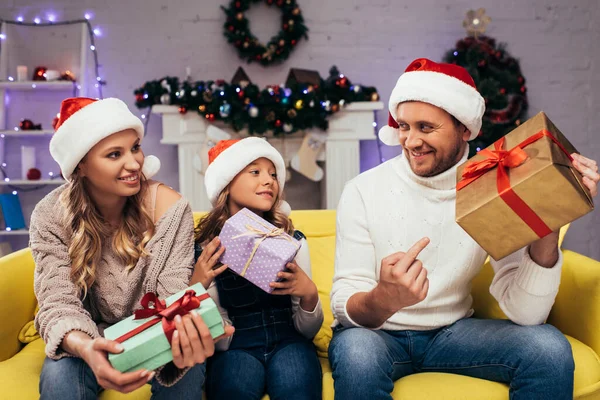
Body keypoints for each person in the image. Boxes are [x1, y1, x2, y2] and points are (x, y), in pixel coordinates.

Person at [328, 58, 599, 400]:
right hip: (376, 335)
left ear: (465, 129)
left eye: (426, 128)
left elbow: (528, 314)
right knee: (356, 354)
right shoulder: (362, 190)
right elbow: (344, 303)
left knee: (547, 348)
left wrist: (550, 217)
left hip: (453, 334)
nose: (411, 141)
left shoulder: (491, 189)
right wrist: (384, 299)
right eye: (404, 126)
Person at [31, 97, 233, 400]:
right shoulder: (50, 216)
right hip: (90, 333)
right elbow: (57, 302)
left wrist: (181, 333)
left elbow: (171, 297)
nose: (134, 163)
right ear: (81, 165)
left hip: (155, 331)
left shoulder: (170, 208)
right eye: (115, 154)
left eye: (135, 147)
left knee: (188, 371)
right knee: (60, 377)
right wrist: (86, 346)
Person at [193, 137, 324, 400]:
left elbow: (306, 329)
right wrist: (197, 287)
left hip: (290, 342)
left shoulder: (293, 241)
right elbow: (217, 337)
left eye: (273, 174)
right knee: (231, 388)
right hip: (235, 347)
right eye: (255, 171)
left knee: (299, 389)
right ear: (227, 184)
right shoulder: (207, 248)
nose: (269, 180)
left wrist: (309, 294)